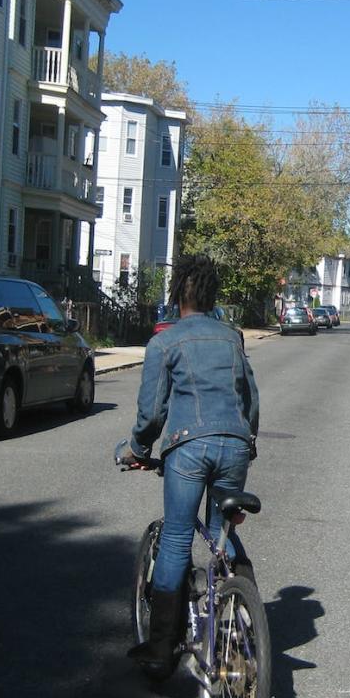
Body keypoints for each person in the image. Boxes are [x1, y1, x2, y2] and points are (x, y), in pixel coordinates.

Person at [123, 254, 259, 676]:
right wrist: (245, 442)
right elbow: (250, 402)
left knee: (179, 539)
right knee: (222, 533)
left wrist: (137, 450)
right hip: (235, 444)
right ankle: (245, 625)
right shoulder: (232, 338)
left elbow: (150, 415)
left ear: (177, 293)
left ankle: (162, 650)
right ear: (212, 294)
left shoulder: (164, 343)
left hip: (188, 449)